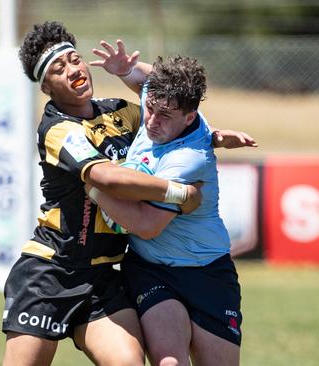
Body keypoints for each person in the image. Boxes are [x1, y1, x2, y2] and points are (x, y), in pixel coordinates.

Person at [1, 21, 254, 366]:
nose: (73, 70)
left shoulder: (123, 113)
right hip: (52, 269)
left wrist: (211, 136)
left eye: (74, 60)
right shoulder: (57, 129)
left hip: (104, 276)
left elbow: (169, 117)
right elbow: (105, 177)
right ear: (46, 86)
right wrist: (177, 192)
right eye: (59, 69)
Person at [87, 43, 249, 366]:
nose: (151, 122)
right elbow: (148, 78)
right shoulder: (163, 100)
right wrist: (125, 71)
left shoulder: (189, 159)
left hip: (207, 271)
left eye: (164, 116)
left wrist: (92, 187)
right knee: (169, 362)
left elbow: (147, 225)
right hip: (150, 269)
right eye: (149, 108)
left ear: (190, 116)